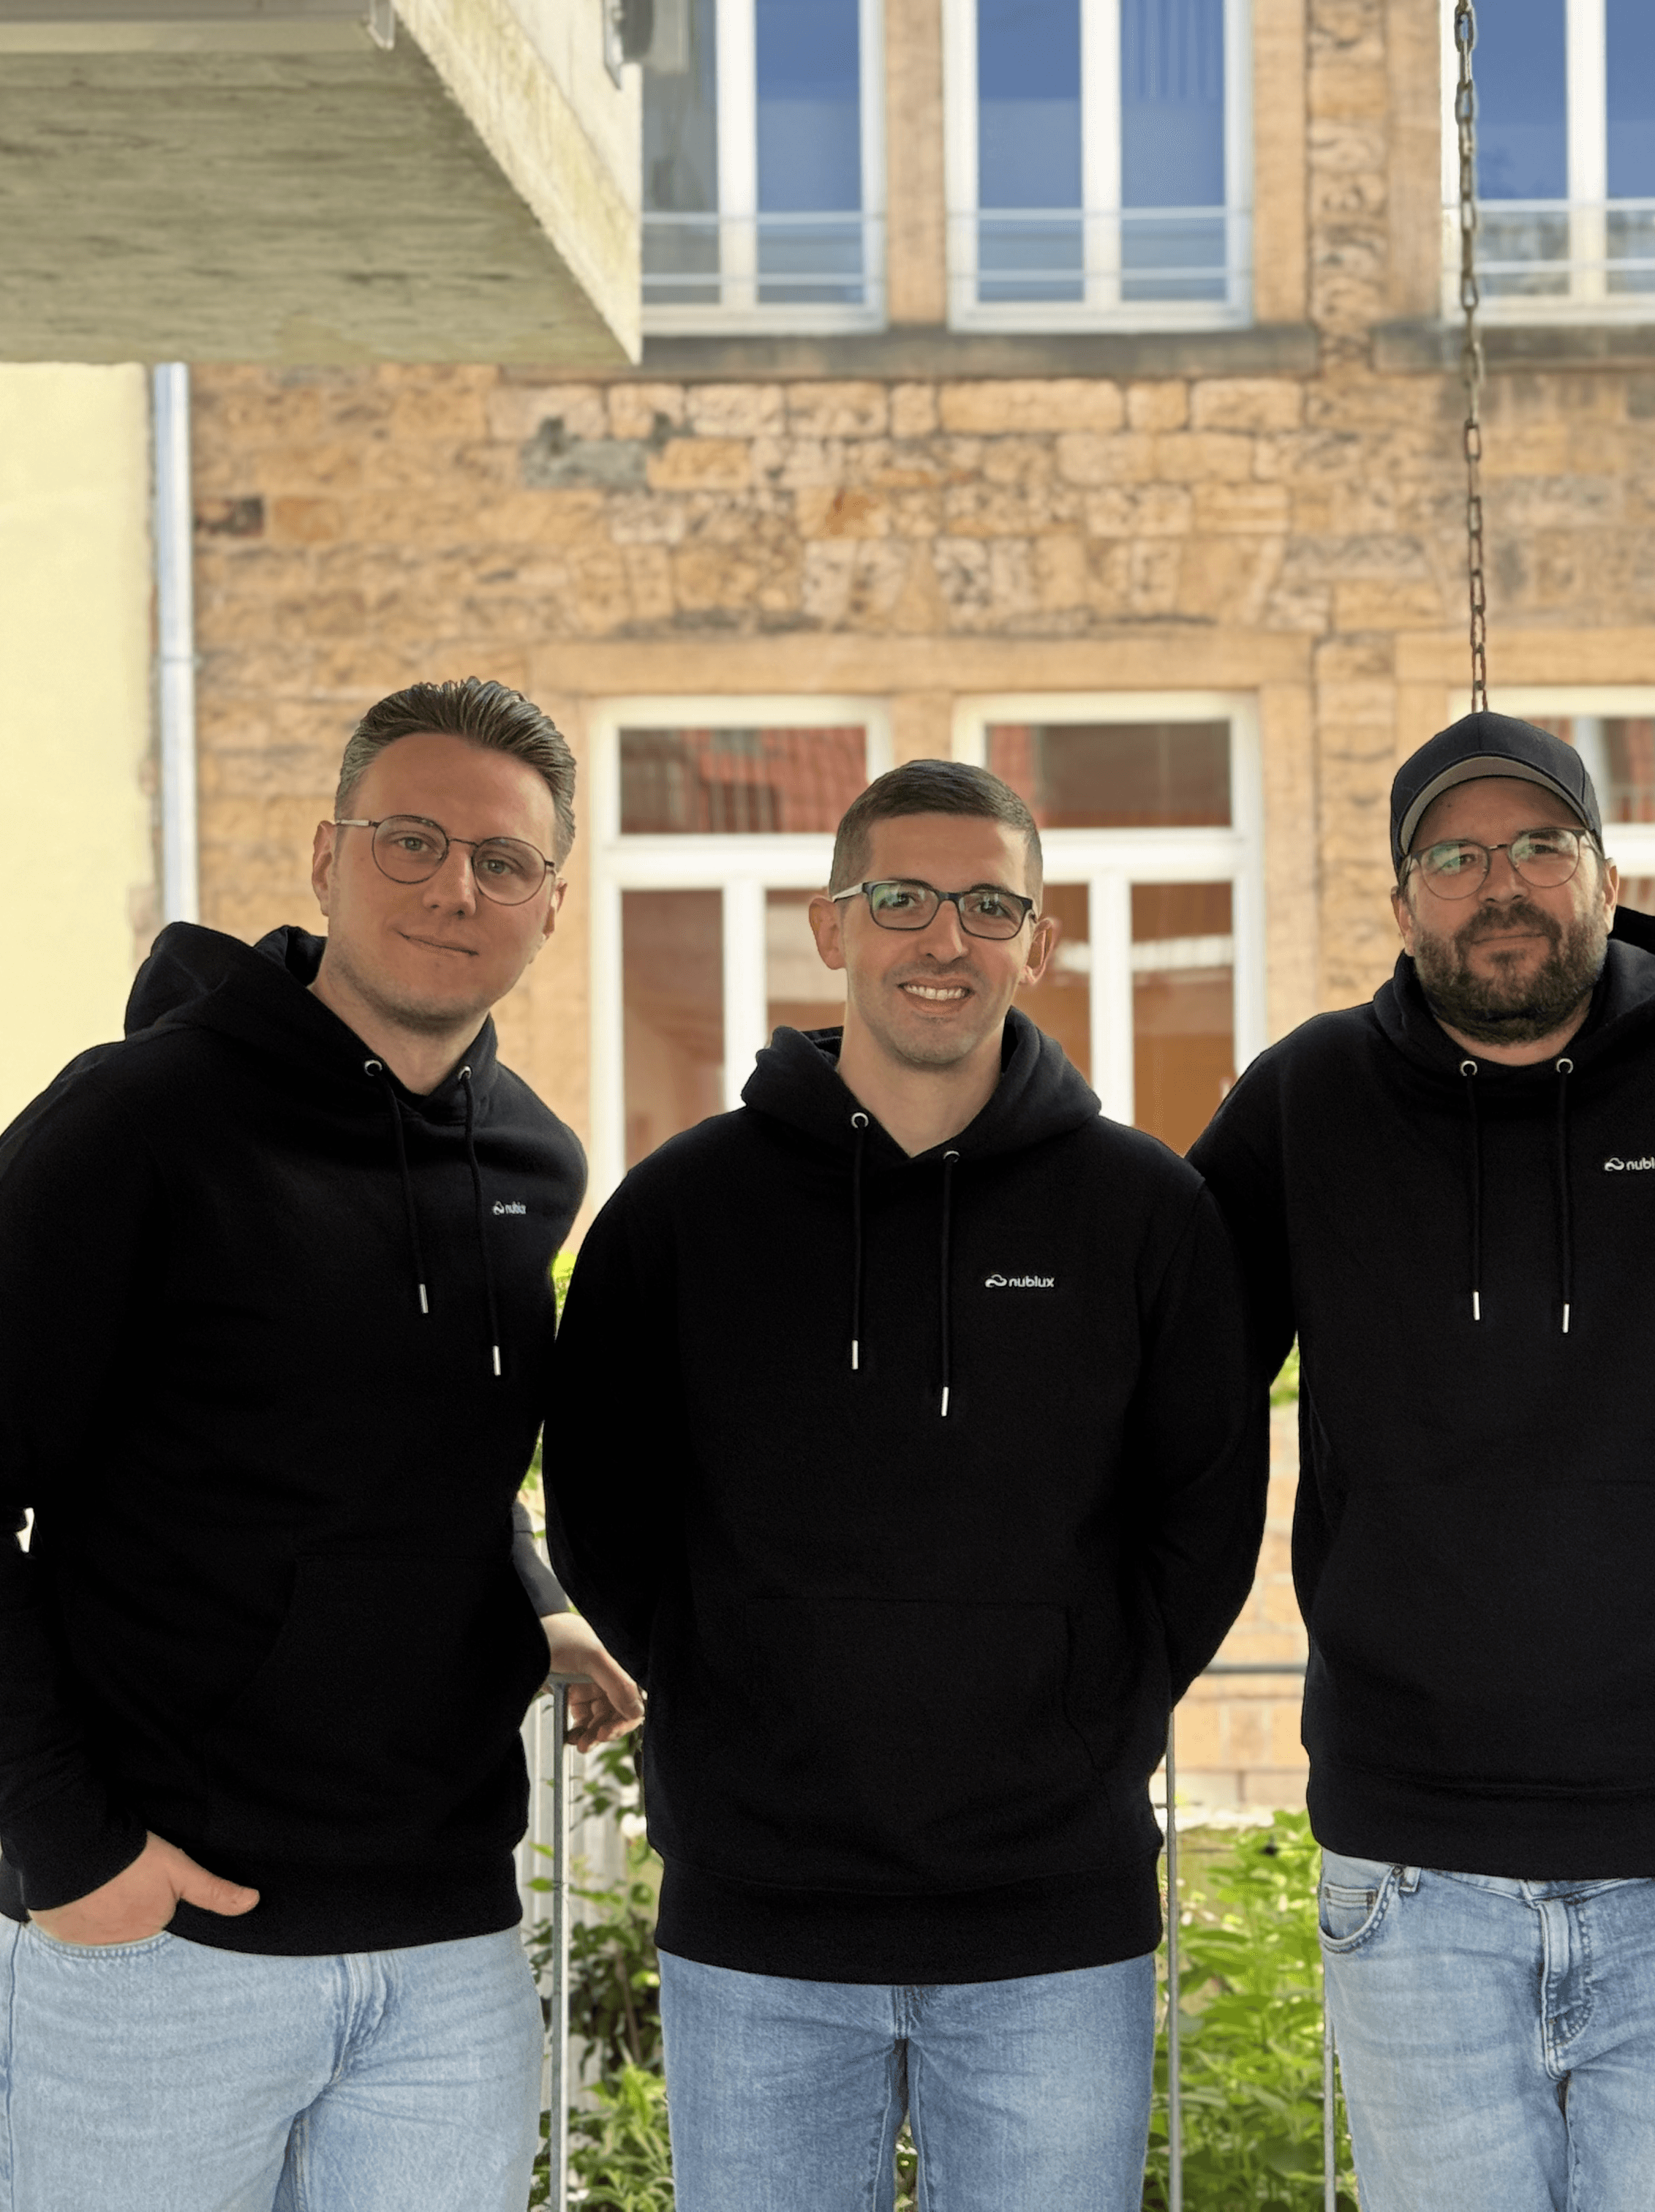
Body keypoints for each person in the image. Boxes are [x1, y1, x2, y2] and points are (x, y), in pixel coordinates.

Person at [0, 678, 643, 2212]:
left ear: (550, 906)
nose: (450, 886)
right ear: (329, 855)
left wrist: (537, 1592)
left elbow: (424, 1432)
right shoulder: (134, 1122)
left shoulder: (533, 1158)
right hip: (159, 1945)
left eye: (500, 861)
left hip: (444, 1954)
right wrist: (74, 1851)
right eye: (411, 840)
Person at [543, 758, 1264, 2212]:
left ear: (1038, 943)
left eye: (990, 904)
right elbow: (603, 1512)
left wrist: (1085, 1710)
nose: (947, 939)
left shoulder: (1144, 1213)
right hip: (758, 1921)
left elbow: (1205, 1521)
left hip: (1053, 1923)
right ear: (833, 926)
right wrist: (730, 1684)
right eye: (905, 899)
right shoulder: (683, 1212)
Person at [1184, 712, 1655, 2212]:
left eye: (1542, 846)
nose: (1504, 883)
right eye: (1459, 854)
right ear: (1403, 894)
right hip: (1414, 1875)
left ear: (1609, 876)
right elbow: (1158, 1378)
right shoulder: (1311, 1099)